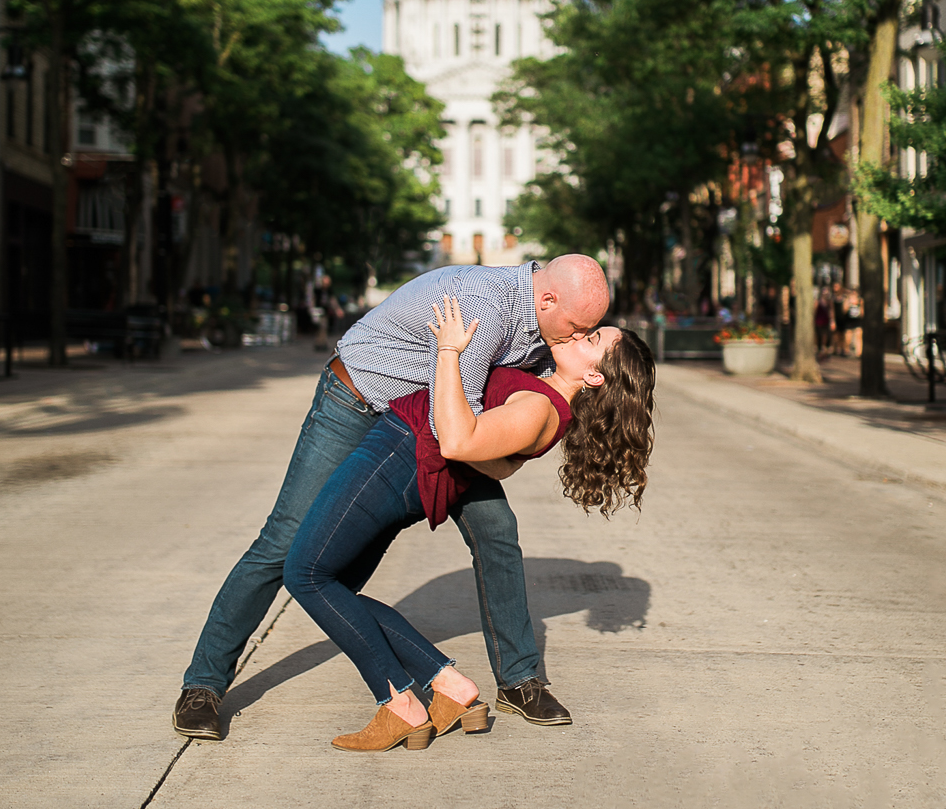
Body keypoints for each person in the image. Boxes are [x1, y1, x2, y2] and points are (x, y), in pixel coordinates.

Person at [171, 254, 613, 742]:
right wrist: (506, 460)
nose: (576, 338)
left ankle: (520, 679)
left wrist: (516, 451)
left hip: (420, 426)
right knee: (284, 544)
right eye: (576, 328)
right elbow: (459, 434)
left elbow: (503, 414)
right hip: (359, 403)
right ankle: (204, 685)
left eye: (588, 332)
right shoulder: (484, 305)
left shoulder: (550, 326)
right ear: (547, 299)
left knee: (497, 531)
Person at [284, 296, 655, 751]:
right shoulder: (547, 394)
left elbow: (458, 441)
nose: (580, 334)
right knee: (335, 585)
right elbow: (498, 462)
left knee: (306, 574)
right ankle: (450, 685)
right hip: (403, 456)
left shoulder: (541, 408)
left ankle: (398, 702)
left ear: (595, 376)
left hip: (399, 456)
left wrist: (449, 352)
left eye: (593, 339)